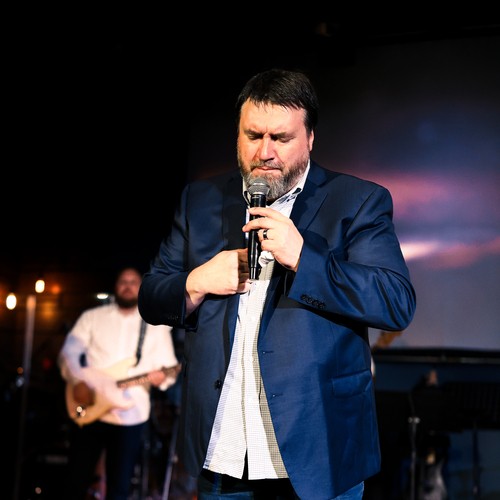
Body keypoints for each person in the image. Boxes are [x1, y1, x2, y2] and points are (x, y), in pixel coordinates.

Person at [138, 68, 416, 499]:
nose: (264, 152)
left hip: (318, 452)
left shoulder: (357, 201)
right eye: (253, 135)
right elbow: (151, 296)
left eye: (281, 138)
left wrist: (304, 258)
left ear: (310, 139)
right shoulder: (201, 200)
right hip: (223, 450)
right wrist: (196, 282)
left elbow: (394, 301)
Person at [58, 266, 180, 500]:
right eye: (123, 281)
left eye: (133, 282)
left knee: (120, 487)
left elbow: (169, 367)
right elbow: (69, 352)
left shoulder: (156, 324)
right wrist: (77, 380)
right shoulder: (92, 317)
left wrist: (163, 377)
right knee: (75, 480)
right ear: (116, 286)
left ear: (141, 288)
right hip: (91, 407)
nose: (128, 286)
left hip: (130, 415)